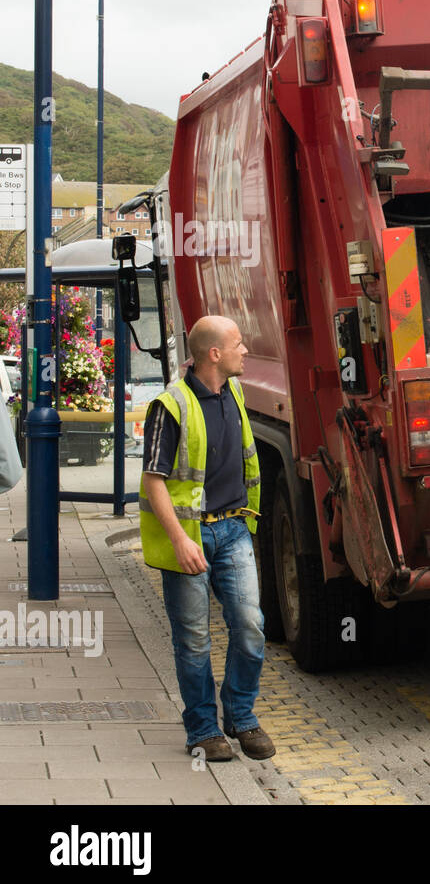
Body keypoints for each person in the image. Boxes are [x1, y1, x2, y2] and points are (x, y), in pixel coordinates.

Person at [139, 316, 273, 764]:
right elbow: (153, 480)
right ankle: (202, 729)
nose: (245, 350)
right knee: (194, 640)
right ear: (213, 354)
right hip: (191, 536)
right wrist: (179, 540)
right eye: (238, 344)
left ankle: (240, 714)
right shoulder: (169, 406)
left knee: (250, 626)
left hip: (233, 527)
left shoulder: (233, 391)